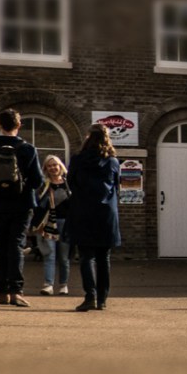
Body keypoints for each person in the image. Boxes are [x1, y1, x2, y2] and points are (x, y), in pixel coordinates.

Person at [0, 109, 41, 307]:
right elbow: (37, 181)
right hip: (22, 205)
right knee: (16, 245)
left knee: (2, 246)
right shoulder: (28, 149)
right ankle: (16, 291)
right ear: (19, 125)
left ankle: (2, 292)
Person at [63, 124, 121, 312]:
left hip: (83, 211)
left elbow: (70, 183)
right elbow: (116, 186)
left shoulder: (78, 160)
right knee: (104, 258)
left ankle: (90, 296)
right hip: (106, 214)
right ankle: (102, 299)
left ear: (88, 138)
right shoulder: (112, 162)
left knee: (86, 257)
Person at [35, 155, 71, 297]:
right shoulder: (43, 185)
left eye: (55, 165)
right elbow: (38, 204)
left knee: (63, 257)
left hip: (66, 223)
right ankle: (48, 285)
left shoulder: (68, 184)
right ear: (45, 169)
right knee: (49, 254)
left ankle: (63, 284)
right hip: (48, 222)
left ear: (60, 166)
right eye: (49, 166)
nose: (53, 168)